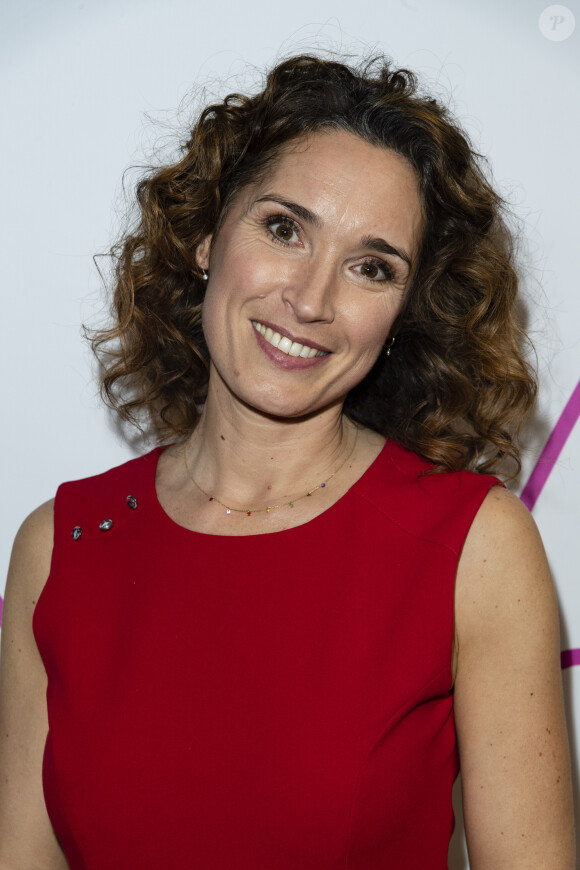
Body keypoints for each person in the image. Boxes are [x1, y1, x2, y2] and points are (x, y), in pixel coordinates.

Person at [0, 54, 575, 869]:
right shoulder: (61, 545)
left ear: (405, 312)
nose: (310, 299)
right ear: (206, 234)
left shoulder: (471, 548)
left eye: (370, 267)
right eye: (284, 228)